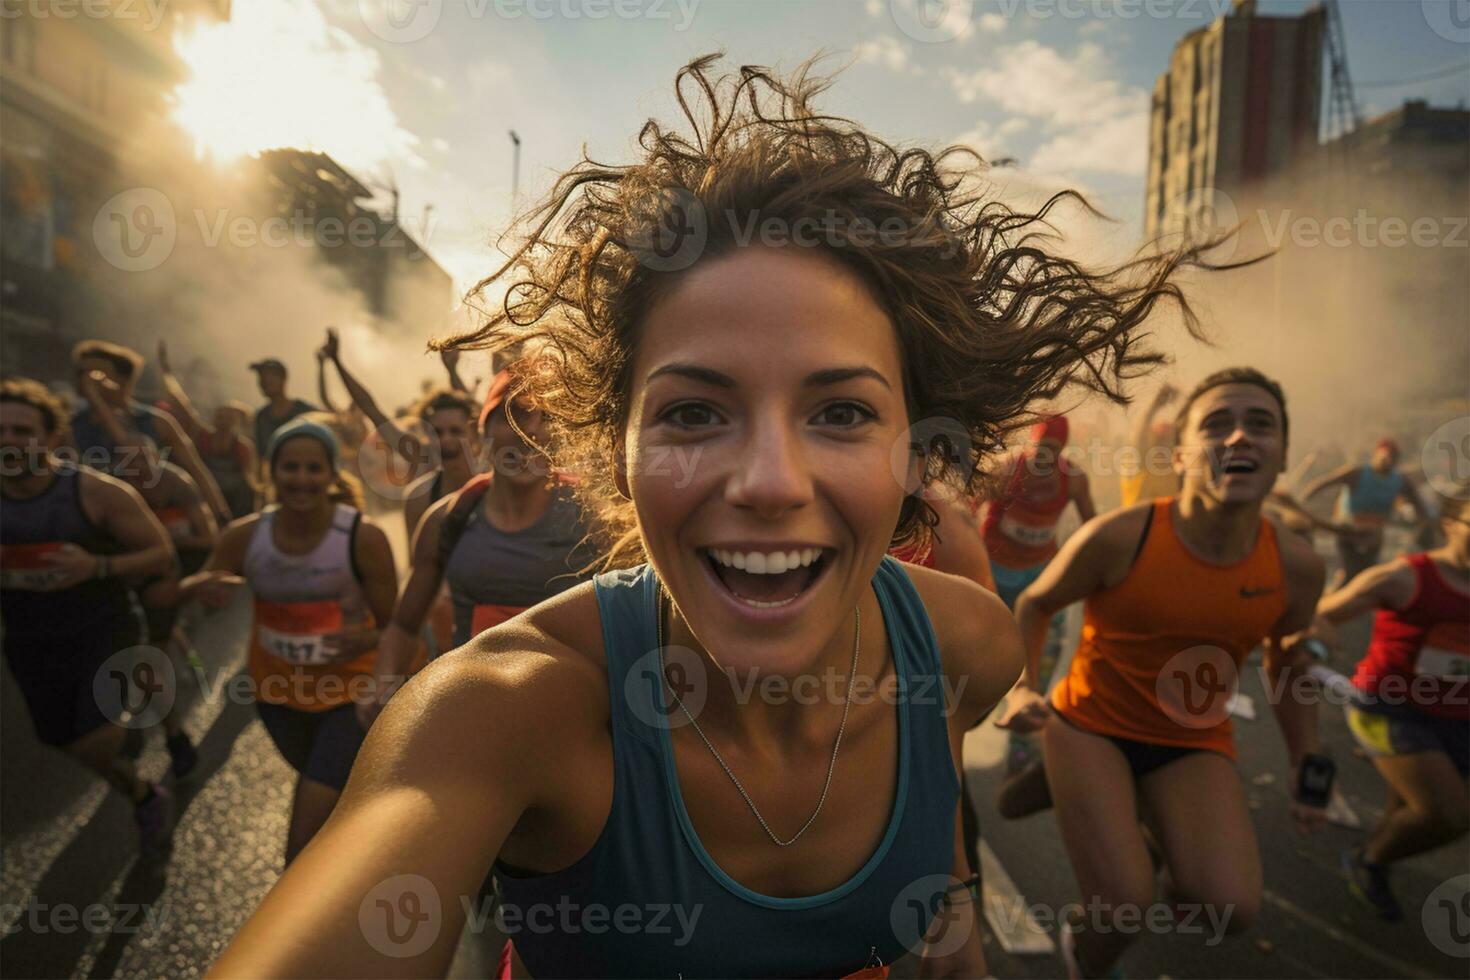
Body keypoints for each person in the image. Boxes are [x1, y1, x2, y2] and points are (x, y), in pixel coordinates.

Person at [212, 56, 1228, 978]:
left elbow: (936, 865)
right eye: (695, 411)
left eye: (841, 411)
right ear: (613, 449)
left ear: (920, 450)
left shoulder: (966, 645)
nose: (771, 479)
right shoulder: (505, 710)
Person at [995, 367, 1330, 979]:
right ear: (1181, 453)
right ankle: (1085, 957)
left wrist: (1307, 756)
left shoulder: (1299, 567)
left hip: (1191, 739)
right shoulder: (1121, 536)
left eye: (1260, 425)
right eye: (1217, 425)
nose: (1238, 439)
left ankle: (1129, 818)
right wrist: (1023, 688)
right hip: (1090, 726)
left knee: (1230, 907)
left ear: (1282, 457)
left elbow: (1288, 661)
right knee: (1124, 906)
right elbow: (1036, 604)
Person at [179, 419, 397, 863]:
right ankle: (354, 874)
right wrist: (201, 593)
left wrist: (366, 639)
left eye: (314, 468)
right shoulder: (245, 535)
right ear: (271, 471)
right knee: (334, 801)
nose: (301, 478)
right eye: (290, 467)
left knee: (302, 840)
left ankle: (312, 917)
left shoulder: (362, 537)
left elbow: (399, 626)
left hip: (349, 695)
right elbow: (200, 594)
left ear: (332, 474)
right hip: (277, 695)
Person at [0, 377, 178, 852]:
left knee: (92, 743)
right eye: (1, 430)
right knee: (63, 741)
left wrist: (95, 565)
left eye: (22, 430)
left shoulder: (97, 492)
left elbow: (160, 554)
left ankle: (124, 728)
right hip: (30, 640)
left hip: (103, 629)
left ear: (53, 438)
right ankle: (142, 793)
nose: (9, 441)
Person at [376, 370, 599, 690]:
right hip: (471, 708)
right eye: (514, 415)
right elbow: (404, 625)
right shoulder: (447, 519)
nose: (530, 431)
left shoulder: (594, 518)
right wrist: (382, 686)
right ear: (483, 433)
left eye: (545, 417)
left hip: (571, 714)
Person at [1310, 482, 1468, 921]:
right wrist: (1314, 641)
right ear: (1452, 524)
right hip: (1388, 708)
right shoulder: (1404, 577)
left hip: (1459, 717)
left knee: (1409, 810)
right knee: (1451, 815)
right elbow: (1320, 612)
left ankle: (1377, 861)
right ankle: (1369, 861)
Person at [77, 369, 219, 777]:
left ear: (158, 458)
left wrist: (166, 552)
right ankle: (139, 720)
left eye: (146, 461)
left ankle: (173, 734)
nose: (139, 469)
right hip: (124, 582)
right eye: (129, 462)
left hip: (163, 577)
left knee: (148, 660)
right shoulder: (113, 489)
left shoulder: (177, 483)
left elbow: (206, 536)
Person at [319, 326, 481, 537]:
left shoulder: (490, 469)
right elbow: (371, 409)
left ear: (473, 433)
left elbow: (471, 410)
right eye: (438, 432)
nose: (446, 439)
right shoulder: (421, 459)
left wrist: (452, 370)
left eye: (455, 431)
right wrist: (337, 363)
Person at [68, 339, 230, 521]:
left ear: (121, 380)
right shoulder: (70, 425)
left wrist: (221, 516)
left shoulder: (158, 422)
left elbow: (196, 471)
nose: (83, 379)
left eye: (94, 373)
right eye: (79, 372)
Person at [1302, 438, 1430, 591]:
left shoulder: (1399, 480)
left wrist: (1425, 524)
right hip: (1348, 529)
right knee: (1349, 572)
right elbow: (1322, 484)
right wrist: (1302, 503)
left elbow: (1420, 507)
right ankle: (1330, 604)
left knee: (1367, 574)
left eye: (1392, 458)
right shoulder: (1357, 473)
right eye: (1384, 456)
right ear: (1376, 455)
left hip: (1373, 535)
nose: (1387, 461)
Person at [157, 340, 260, 519]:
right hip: (205, 498)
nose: (224, 420)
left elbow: (251, 482)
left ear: (236, 421)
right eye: (220, 415)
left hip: (236, 504)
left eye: (229, 416)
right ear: (213, 418)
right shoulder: (201, 435)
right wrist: (166, 372)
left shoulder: (243, 447)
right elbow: (180, 402)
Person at [1118, 382, 1179, 508]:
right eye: (1159, 442)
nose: (1164, 448)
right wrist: (1155, 405)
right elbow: (1138, 435)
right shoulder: (1138, 468)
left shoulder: (1177, 473)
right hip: (1137, 527)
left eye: (1169, 442)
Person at [250, 356, 318, 468]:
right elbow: (261, 457)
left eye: (270, 376)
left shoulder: (304, 412)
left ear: (283, 379)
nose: (264, 381)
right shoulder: (261, 417)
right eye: (261, 377)